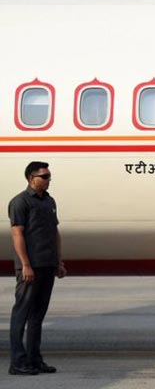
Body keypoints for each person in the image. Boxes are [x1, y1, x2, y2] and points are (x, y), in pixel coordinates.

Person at [8, 161, 67, 376]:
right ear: (31, 178)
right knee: (21, 314)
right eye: (44, 176)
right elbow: (17, 234)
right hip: (30, 267)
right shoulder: (20, 202)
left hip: (47, 265)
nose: (48, 180)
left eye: (49, 176)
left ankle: (34, 359)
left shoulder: (49, 201)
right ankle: (18, 362)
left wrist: (58, 262)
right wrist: (25, 264)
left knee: (37, 316)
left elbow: (55, 232)